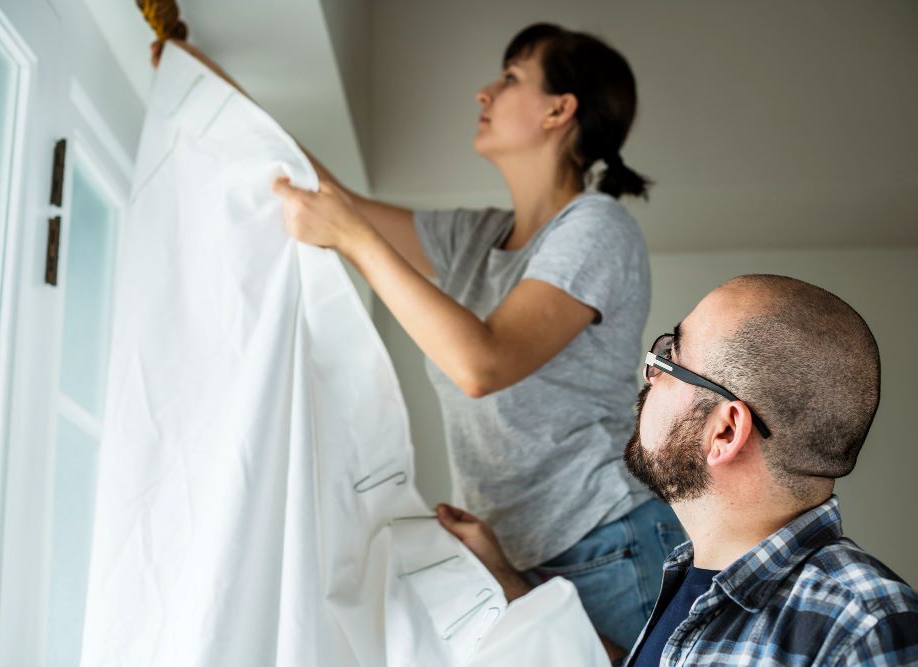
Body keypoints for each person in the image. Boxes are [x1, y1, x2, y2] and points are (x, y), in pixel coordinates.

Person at [265, 23, 684, 652]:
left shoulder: (597, 226)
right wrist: (215, 94)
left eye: (511, 78)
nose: (485, 93)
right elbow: (335, 200)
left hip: (607, 544)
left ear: (559, 109)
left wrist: (353, 238)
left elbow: (481, 362)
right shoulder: (473, 239)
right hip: (512, 555)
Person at [437, 274, 918, 665]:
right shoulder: (694, 586)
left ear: (725, 432)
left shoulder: (873, 631)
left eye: (669, 358)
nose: (647, 374)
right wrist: (507, 582)